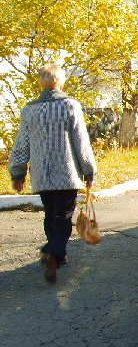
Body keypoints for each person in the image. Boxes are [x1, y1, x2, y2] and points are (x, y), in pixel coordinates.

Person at [8, 64, 97, 284]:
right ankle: (52, 251)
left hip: (42, 174)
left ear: (42, 82)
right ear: (60, 81)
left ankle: (58, 255)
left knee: (51, 214)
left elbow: (22, 144)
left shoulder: (29, 110)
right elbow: (81, 142)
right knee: (64, 216)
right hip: (66, 173)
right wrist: (89, 170)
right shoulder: (70, 106)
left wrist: (18, 173)